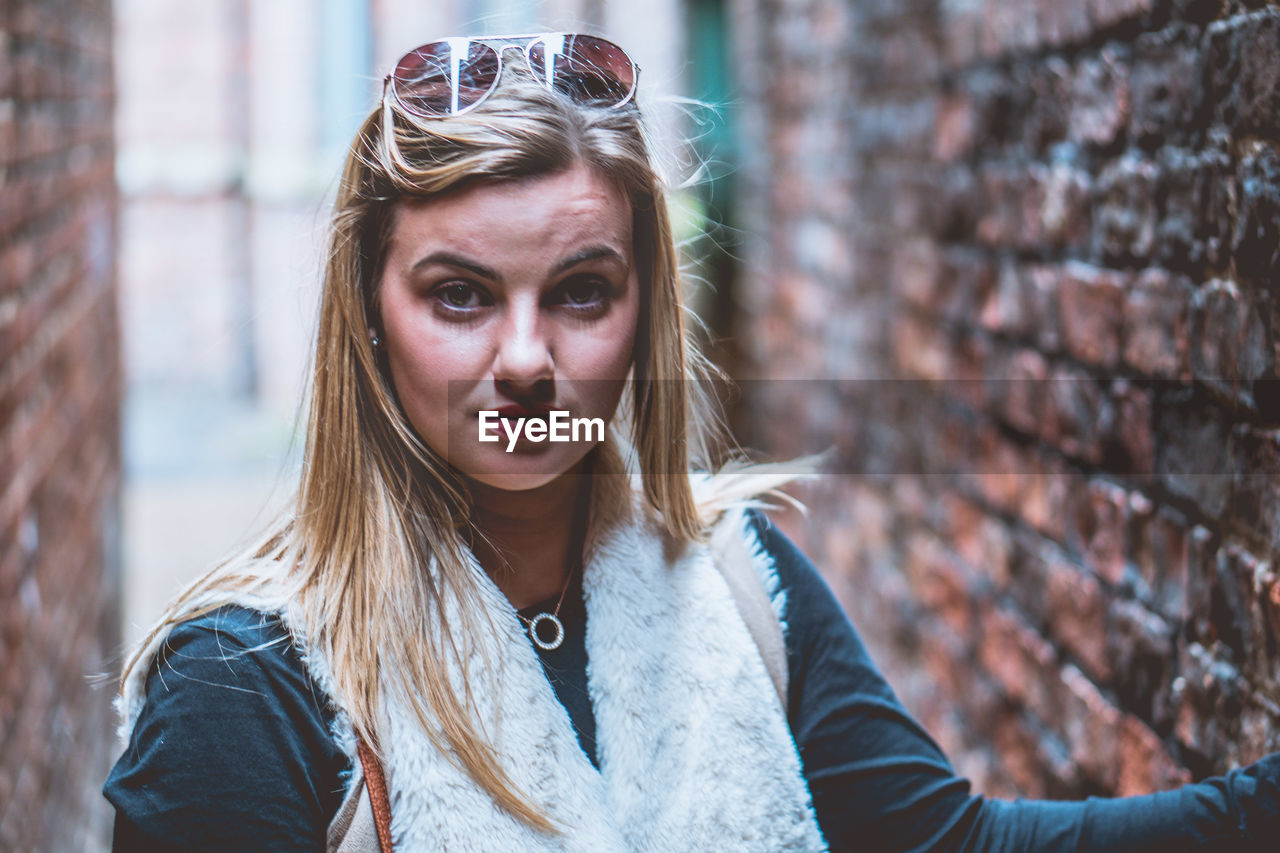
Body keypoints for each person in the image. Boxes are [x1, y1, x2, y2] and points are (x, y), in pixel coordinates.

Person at [104, 32, 1280, 852]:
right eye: (459, 295)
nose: (524, 359)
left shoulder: (735, 583)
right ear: (368, 319)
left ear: (643, 312)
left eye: (579, 291)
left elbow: (941, 841)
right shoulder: (242, 686)